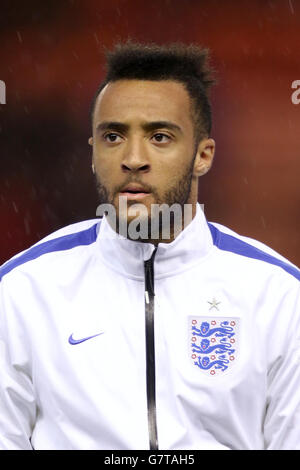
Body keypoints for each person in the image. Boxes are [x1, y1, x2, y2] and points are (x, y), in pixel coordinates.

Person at [0, 42, 299, 451]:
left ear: (203, 155)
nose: (133, 158)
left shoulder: (278, 295)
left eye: (159, 136)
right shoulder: (22, 290)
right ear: (92, 153)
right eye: (113, 136)